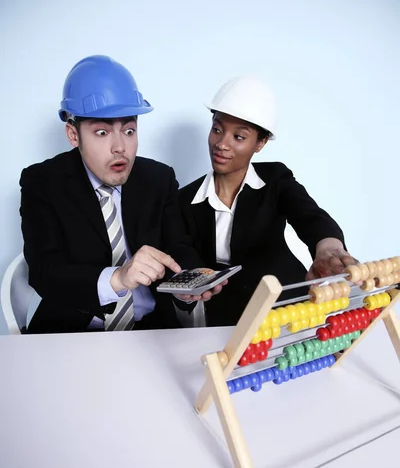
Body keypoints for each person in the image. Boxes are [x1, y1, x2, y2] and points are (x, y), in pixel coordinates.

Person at [20, 55, 223, 334]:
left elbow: (179, 247)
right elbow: (45, 272)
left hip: (150, 330)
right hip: (71, 331)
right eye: (102, 132)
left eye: (129, 130)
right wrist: (118, 278)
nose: (120, 147)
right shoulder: (42, 182)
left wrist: (187, 286)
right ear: (73, 134)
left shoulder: (159, 179)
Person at [178, 75, 358, 327]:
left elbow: (308, 215)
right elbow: (183, 255)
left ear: (260, 143)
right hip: (226, 317)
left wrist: (328, 247)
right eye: (217, 129)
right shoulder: (185, 199)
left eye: (238, 137)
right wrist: (188, 286)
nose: (221, 144)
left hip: (287, 304)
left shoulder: (275, 179)